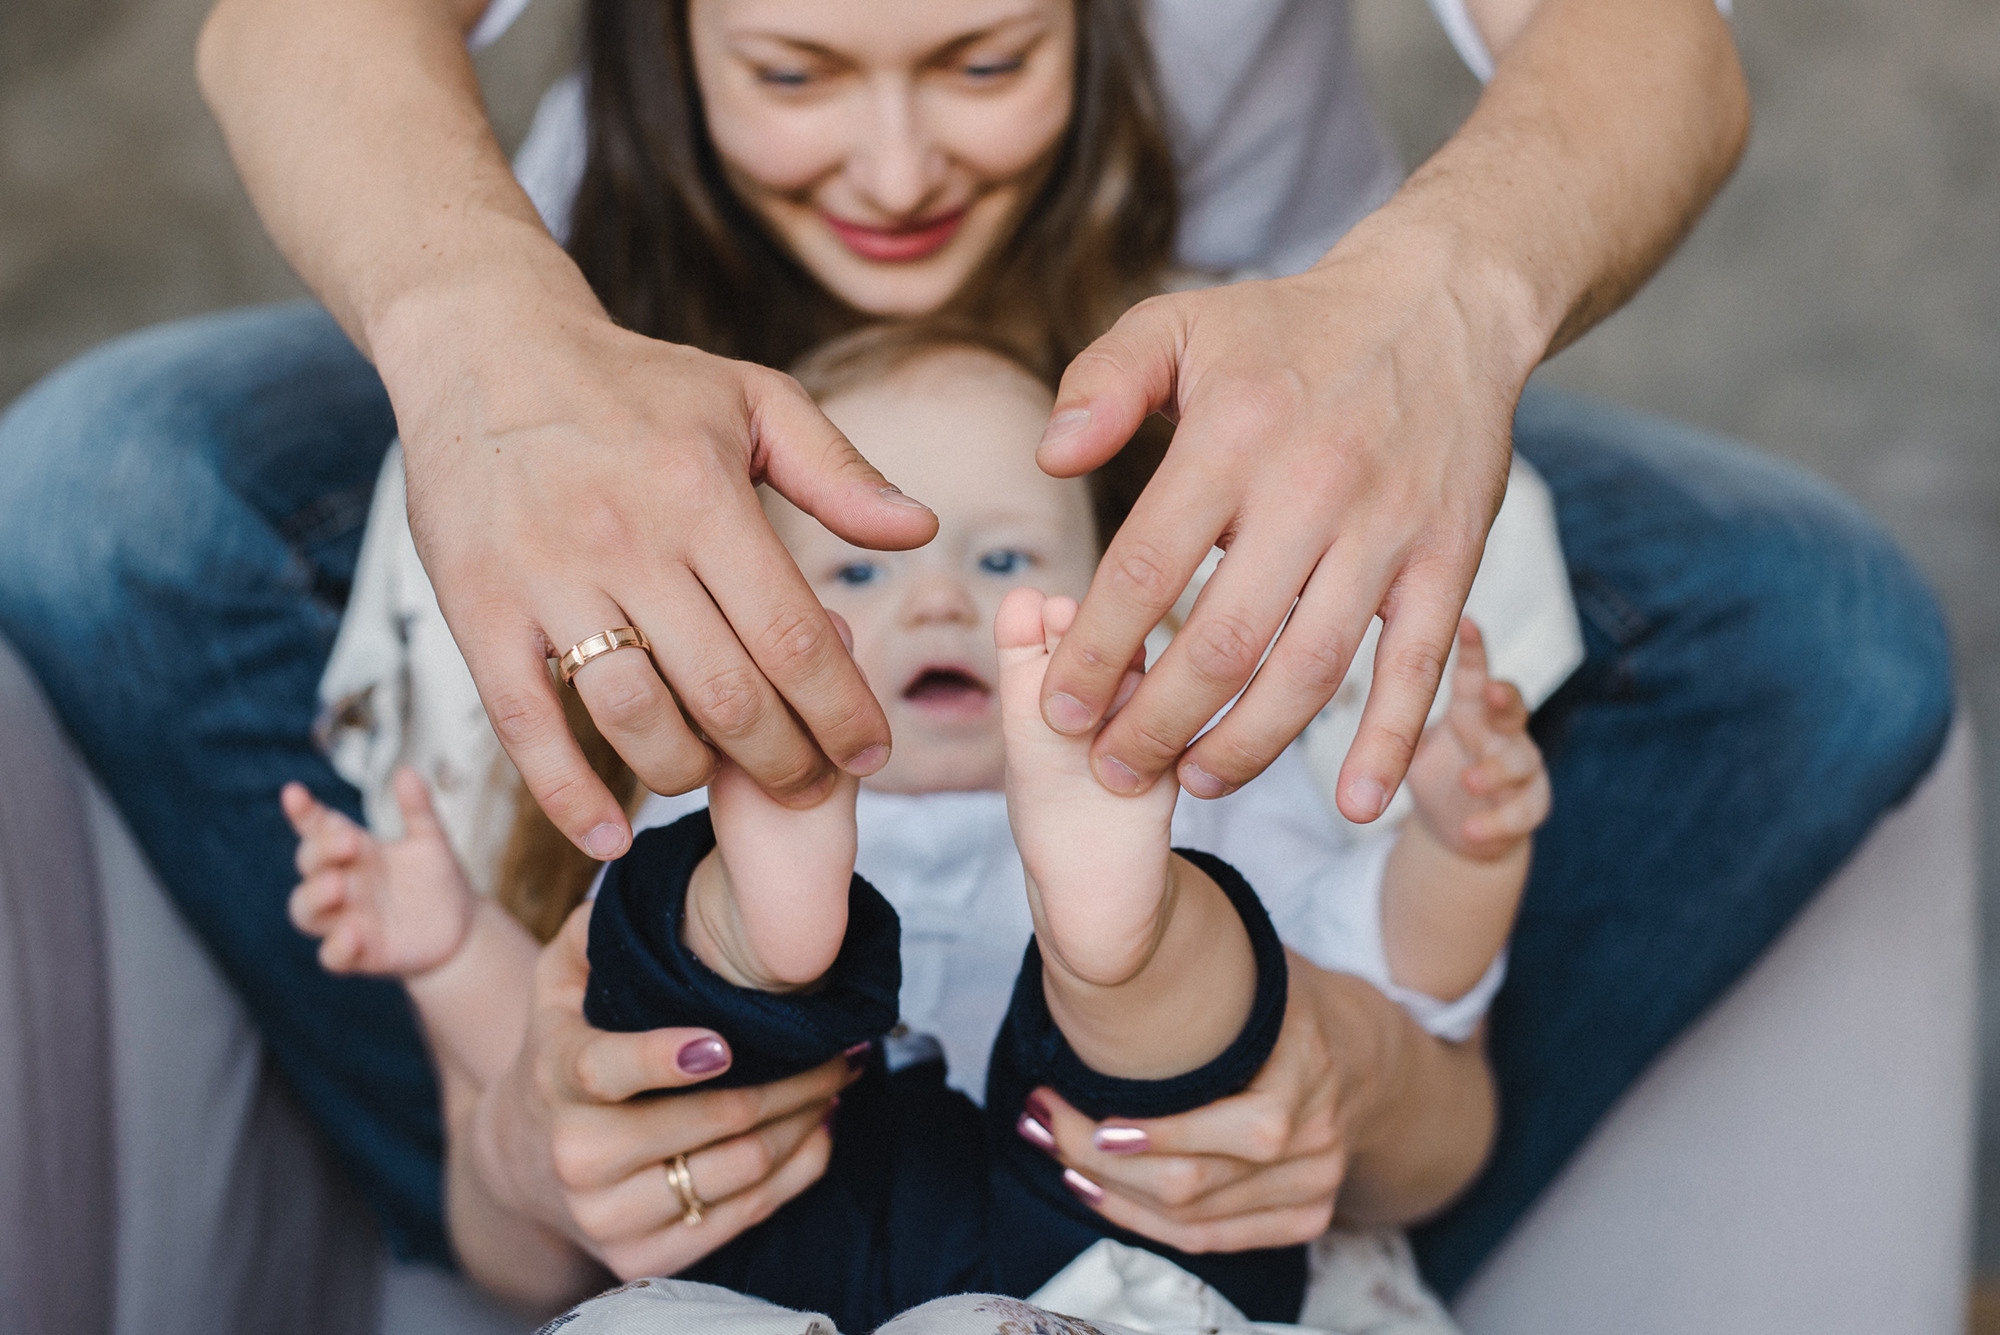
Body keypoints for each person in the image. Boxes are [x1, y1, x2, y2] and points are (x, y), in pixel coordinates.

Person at [0, 0, 1949, 1306]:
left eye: (985, 56)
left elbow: (1654, 50)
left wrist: (1442, 311)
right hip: (624, 338)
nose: (895, 168)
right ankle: (618, 1164)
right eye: (792, 69)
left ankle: (1206, 1158)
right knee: (108, 492)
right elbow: (292, 28)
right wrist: (479, 350)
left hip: (1253, 372)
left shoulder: (1158, 611)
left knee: (1824, 639)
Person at [284, 330, 1545, 1329]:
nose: (938, 598)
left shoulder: (1188, 769)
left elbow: (1382, 970)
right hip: (774, 1214)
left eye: (1004, 564)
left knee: (1213, 981)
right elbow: (566, 1070)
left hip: (1109, 1221)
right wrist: (452, 948)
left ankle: (1123, 945)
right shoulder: (684, 789)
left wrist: (1457, 850)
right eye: (857, 572)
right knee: (670, 972)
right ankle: (779, 924)